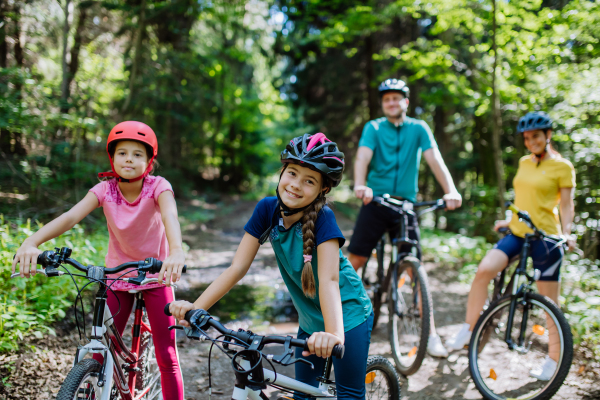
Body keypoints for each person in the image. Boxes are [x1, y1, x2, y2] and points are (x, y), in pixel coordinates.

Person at [169, 133, 373, 400]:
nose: (296, 185)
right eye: (292, 173)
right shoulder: (267, 210)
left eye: (309, 180)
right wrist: (196, 309)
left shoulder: (324, 219)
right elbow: (237, 268)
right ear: (282, 172)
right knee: (303, 395)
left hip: (347, 315)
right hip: (310, 320)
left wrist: (334, 333)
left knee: (349, 394)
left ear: (323, 189)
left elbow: (331, 281)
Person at [12, 121, 186, 399]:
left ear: (150, 161)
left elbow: (170, 216)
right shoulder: (105, 190)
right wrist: (31, 242)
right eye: (122, 153)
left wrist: (176, 250)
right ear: (112, 158)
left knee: (167, 356)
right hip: (118, 276)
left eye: (138, 154)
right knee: (100, 350)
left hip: (155, 275)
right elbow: (70, 217)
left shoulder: (158, 187)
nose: (129, 158)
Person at [445, 111, 576, 380]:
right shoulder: (524, 162)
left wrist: (567, 233)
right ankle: (469, 330)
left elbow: (566, 204)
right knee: (483, 271)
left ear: (548, 136)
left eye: (536, 137)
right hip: (517, 232)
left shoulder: (563, 167)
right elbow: (523, 197)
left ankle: (553, 361)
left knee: (550, 301)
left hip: (546, 236)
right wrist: (509, 219)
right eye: (527, 138)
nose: (531, 142)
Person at [349, 78, 462, 358]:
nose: (391, 103)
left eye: (396, 98)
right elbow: (363, 157)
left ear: (405, 102)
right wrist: (360, 184)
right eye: (386, 99)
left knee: (414, 269)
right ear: (383, 103)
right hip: (375, 201)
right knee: (356, 260)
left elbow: (435, 159)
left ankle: (430, 334)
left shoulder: (419, 128)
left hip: (406, 206)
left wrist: (451, 190)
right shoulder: (373, 127)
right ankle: (337, 318)